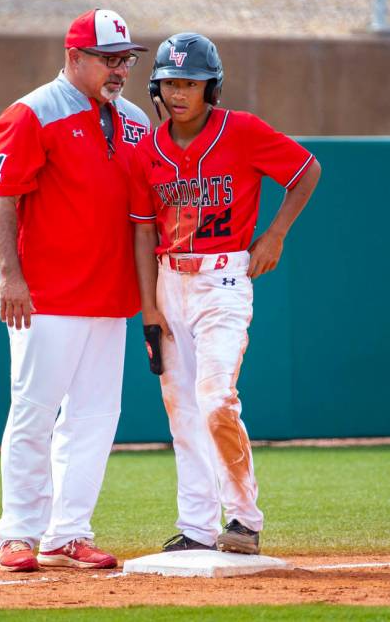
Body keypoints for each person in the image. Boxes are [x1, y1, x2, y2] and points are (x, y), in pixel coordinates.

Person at [131, 33, 321, 555]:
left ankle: (244, 520)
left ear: (210, 87)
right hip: (170, 281)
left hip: (224, 280)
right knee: (180, 410)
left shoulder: (241, 130)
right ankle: (195, 525)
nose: (178, 93)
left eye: (189, 83)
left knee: (215, 400)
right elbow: (144, 231)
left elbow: (306, 171)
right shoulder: (148, 148)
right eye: (169, 83)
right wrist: (149, 305)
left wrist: (276, 233)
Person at [0, 9, 149, 572]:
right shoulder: (32, 112)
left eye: (125, 58)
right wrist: (11, 274)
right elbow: (0, 196)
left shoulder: (132, 119)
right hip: (46, 296)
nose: (120, 69)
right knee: (33, 414)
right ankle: (18, 533)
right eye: (108, 58)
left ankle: (68, 532)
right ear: (73, 57)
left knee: (95, 421)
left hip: (112, 296)